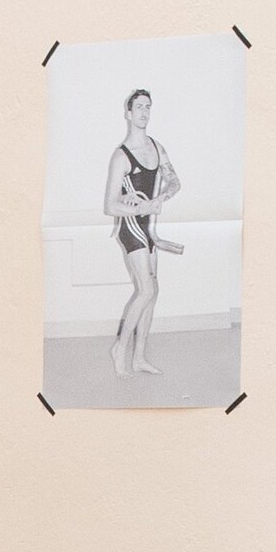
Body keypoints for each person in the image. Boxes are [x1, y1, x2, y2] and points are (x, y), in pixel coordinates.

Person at [102, 90, 185, 377]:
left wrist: (161, 197)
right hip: (131, 228)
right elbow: (110, 205)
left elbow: (174, 181)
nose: (144, 112)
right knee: (146, 289)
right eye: (138, 107)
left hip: (149, 228)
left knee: (153, 291)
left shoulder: (156, 147)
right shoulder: (120, 156)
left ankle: (139, 358)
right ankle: (119, 348)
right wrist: (142, 207)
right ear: (128, 113)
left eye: (148, 107)